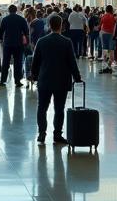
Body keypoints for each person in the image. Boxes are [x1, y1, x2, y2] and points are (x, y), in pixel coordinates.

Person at [29, 13, 83, 145]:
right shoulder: (66, 42)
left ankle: (42, 133)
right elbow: (72, 62)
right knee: (59, 108)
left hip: (44, 79)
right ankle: (57, 134)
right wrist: (77, 78)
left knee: (42, 107)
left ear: (49, 25)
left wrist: (34, 75)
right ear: (61, 26)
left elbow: (35, 61)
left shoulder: (42, 41)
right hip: (61, 80)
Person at [0, 4, 29, 87]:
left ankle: (3, 80)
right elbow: (26, 32)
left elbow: (1, 31)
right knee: (18, 63)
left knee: (5, 62)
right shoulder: (21, 19)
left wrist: (0, 39)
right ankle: (17, 81)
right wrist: (26, 42)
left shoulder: (5, 19)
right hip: (18, 44)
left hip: (7, 43)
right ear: (16, 10)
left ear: (9, 11)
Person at [98, 4, 117, 74]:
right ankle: (109, 67)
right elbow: (115, 26)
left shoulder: (103, 16)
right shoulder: (113, 17)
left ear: (106, 10)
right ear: (111, 10)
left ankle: (105, 67)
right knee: (111, 51)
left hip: (104, 34)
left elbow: (100, 26)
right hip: (112, 35)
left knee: (105, 50)